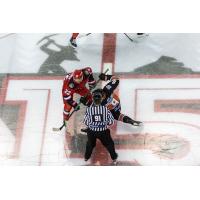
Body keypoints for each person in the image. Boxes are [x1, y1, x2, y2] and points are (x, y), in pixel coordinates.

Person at [83, 89, 118, 163]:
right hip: (103, 132)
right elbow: (111, 122)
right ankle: (114, 157)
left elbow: (86, 122)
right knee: (109, 144)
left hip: (92, 132)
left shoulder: (88, 109)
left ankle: (86, 157)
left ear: (93, 99)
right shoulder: (106, 109)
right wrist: (105, 123)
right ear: (101, 99)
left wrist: (92, 125)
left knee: (90, 144)